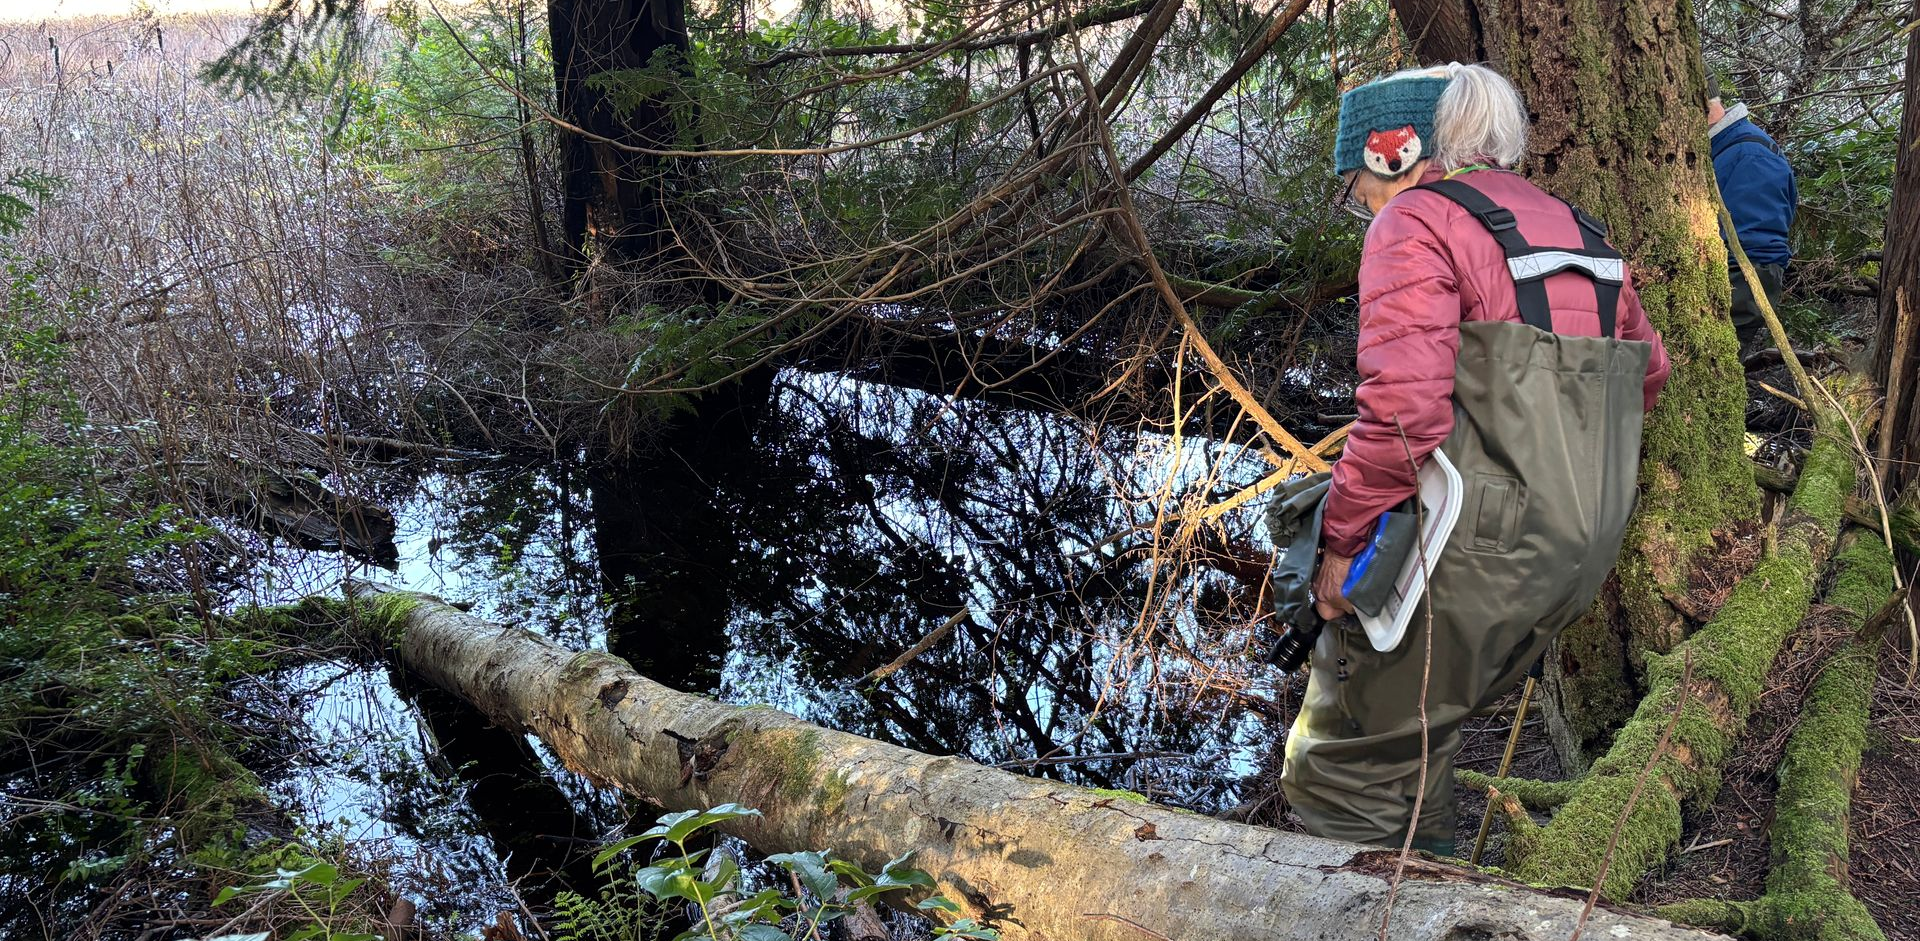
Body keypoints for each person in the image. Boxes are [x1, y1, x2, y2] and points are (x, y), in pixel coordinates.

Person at [1282, 63, 1672, 854]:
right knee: (1420, 726)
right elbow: (1648, 377)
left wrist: (1341, 549)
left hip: (1478, 550)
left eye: (1358, 187)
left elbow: (1402, 415)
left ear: (1394, 153)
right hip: (1578, 551)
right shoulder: (1582, 232)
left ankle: (1367, 902)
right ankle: (1423, 882)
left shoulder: (1416, 222)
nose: (1363, 206)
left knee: (1349, 761)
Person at [1708, 77, 1797, 359]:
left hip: (1737, 292)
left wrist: (1715, 307)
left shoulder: (1751, 155)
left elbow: (1756, 252)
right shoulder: (1728, 148)